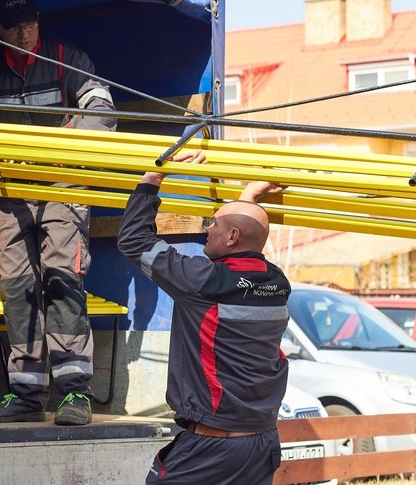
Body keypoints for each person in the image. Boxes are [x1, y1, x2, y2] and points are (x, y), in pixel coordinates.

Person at [0, 0, 116, 426]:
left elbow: (103, 109)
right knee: (17, 287)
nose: (25, 34)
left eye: (31, 24)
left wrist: (66, 147)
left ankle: (75, 395)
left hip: (62, 184)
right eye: (15, 28)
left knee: (62, 278)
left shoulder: (64, 58)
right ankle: (26, 393)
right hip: (11, 190)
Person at [117, 150, 291, 484]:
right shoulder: (276, 282)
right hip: (260, 442)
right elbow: (244, 246)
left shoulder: (201, 281)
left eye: (213, 224)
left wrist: (153, 177)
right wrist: (248, 198)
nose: (206, 229)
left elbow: (134, 241)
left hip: (212, 447)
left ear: (232, 237)